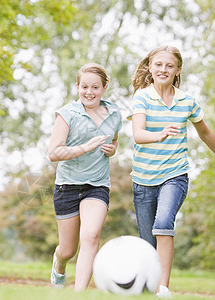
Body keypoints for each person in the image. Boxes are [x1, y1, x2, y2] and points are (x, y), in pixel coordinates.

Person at [129, 45, 215, 298]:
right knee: (148, 243)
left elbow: (205, 133)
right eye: (158, 64)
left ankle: (163, 288)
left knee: (163, 224)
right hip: (143, 179)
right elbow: (138, 135)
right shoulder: (141, 98)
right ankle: (148, 288)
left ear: (177, 70)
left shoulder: (187, 101)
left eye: (169, 65)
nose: (163, 69)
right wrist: (159, 135)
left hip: (175, 175)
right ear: (150, 66)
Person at [47, 63, 122, 290]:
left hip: (97, 186)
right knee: (68, 250)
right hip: (67, 186)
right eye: (85, 87)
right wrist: (85, 147)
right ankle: (59, 265)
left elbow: (114, 139)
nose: (90, 92)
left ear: (105, 87)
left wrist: (113, 149)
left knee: (90, 236)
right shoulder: (67, 114)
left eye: (95, 87)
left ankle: (78, 293)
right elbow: (53, 153)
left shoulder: (114, 114)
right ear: (77, 87)